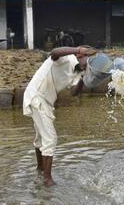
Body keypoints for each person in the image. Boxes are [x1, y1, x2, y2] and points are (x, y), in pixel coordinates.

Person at [23, 46, 97, 187]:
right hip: (37, 96)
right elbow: (54, 53)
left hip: (46, 100)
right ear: (81, 55)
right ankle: (47, 179)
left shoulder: (78, 72)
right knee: (50, 138)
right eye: (89, 58)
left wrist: (84, 77)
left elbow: (74, 93)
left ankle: (40, 169)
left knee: (41, 138)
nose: (90, 63)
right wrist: (77, 49)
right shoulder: (67, 58)